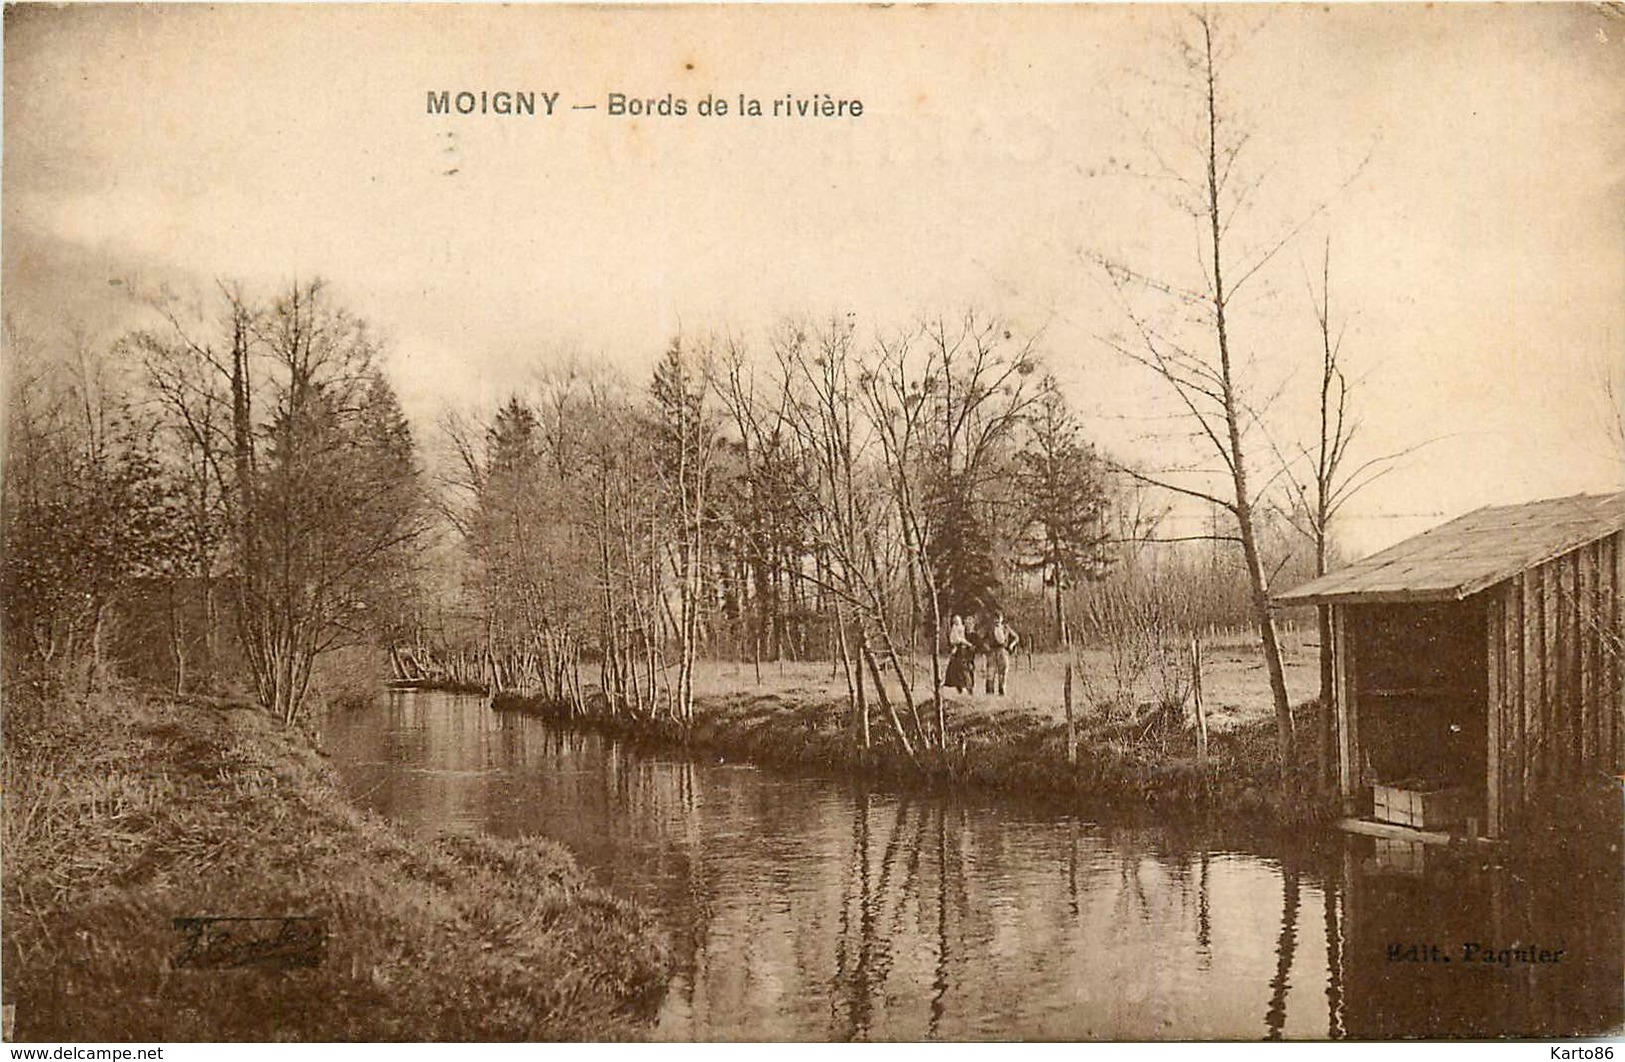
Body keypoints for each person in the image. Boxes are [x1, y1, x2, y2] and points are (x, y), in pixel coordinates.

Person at [985, 612, 1019, 696]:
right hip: (992, 652)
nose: (996, 620)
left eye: (998, 618)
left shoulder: (1006, 628)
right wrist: (986, 647)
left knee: (1003, 671)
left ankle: (1002, 690)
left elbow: (1016, 637)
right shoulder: (989, 629)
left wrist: (1011, 645)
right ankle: (989, 693)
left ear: (1002, 619)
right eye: (995, 618)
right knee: (990, 672)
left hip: (1003, 651)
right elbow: (983, 640)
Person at [944, 614, 975, 694]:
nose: (957, 622)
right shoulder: (955, 629)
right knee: (956, 670)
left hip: (963, 651)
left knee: (965, 669)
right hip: (959, 651)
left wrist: (968, 645)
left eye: (958, 620)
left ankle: (968, 688)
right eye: (955, 621)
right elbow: (957, 640)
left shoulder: (963, 628)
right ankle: (960, 687)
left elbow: (964, 638)